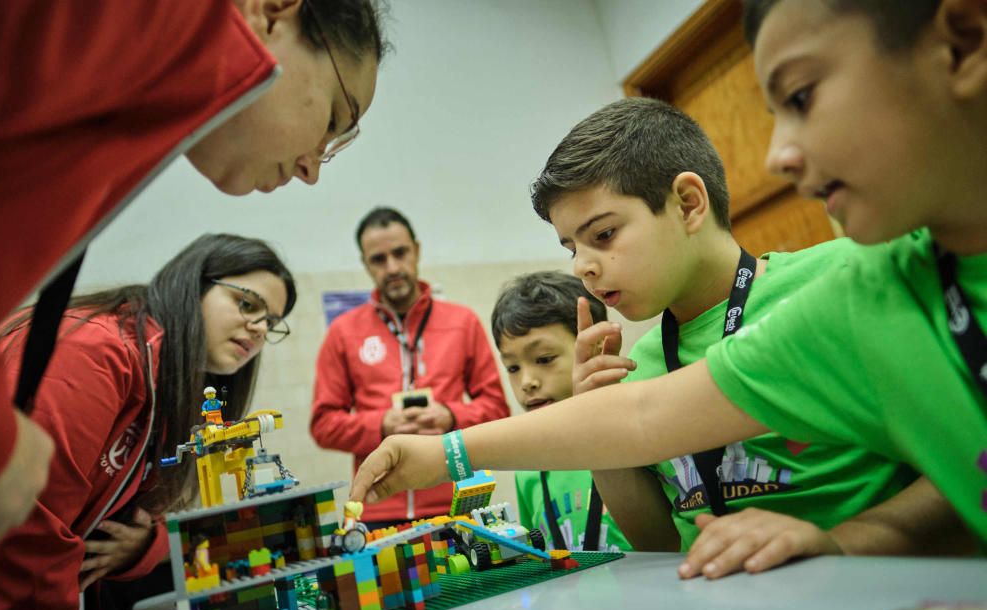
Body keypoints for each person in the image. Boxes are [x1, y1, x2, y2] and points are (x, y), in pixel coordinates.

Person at [350, 0, 987, 565]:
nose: (778, 156)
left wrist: (855, 539)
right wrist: (448, 454)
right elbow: (641, 424)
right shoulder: (868, 287)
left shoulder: (842, 279)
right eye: (570, 247)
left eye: (800, 97)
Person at [0, 0, 388, 547]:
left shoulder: (117, 105)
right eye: (333, 121)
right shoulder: (99, 355)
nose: (312, 168)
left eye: (267, 320)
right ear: (274, 12)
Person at [552, 98, 960, 570]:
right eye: (570, 248)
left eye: (602, 235)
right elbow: (660, 544)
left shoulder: (841, 278)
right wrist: (598, 425)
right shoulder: (633, 366)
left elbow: (967, 461)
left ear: (688, 204)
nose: (583, 265)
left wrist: (845, 541)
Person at [0, 234, 297, 610]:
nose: (260, 328)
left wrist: (146, 544)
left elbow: (157, 510)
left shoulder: (169, 381)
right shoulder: (96, 353)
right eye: (248, 304)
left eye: (272, 322)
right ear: (194, 284)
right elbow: (27, 532)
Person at [311, 207, 510, 527]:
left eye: (400, 253)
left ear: (416, 251)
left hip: (456, 504)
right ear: (365, 264)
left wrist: (450, 416)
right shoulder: (343, 332)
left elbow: (498, 410)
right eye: (378, 259)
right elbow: (324, 424)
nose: (392, 267)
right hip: (376, 510)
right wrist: (382, 425)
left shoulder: (463, 322)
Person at [492, 271, 631, 552]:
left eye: (544, 359)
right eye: (513, 368)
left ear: (595, 347)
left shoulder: (636, 431)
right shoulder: (529, 470)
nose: (527, 382)